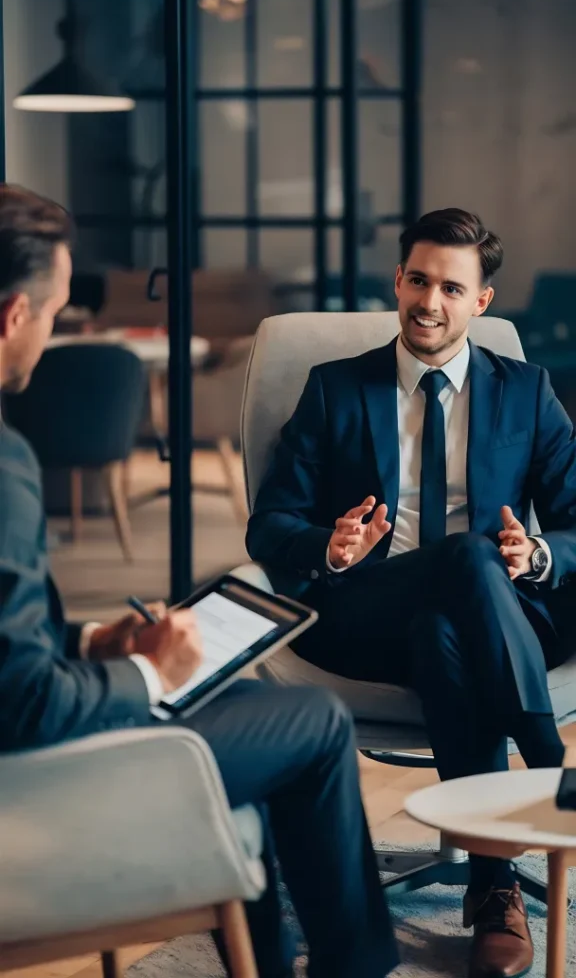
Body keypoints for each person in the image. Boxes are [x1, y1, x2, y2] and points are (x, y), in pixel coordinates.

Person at [0, 184, 398, 978]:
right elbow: (26, 705)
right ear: (14, 315)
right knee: (314, 722)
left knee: (244, 703)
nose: (49, 331)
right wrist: (151, 672)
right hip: (35, 785)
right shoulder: (4, 465)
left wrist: (94, 641)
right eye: (53, 313)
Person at [247, 207, 576, 978]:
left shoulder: (527, 392)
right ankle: (548, 761)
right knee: (464, 560)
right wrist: (327, 545)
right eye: (419, 281)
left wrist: (534, 555)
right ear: (397, 281)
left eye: (452, 289)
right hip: (364, 610)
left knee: (448, 620)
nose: (430, 302)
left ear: (481, 302)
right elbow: (270, 525)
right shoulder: (335, 389)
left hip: (493, 615)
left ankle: (492, 881)